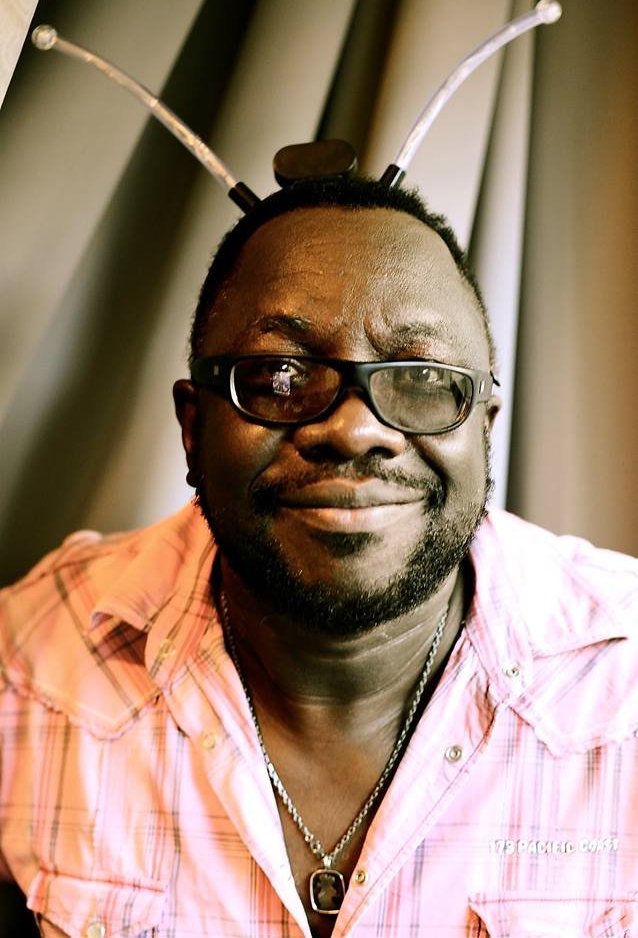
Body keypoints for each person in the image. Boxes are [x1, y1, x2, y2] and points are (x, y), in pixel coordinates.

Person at [1, 176, 637, 938]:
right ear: (193, 428)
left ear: (483, 427)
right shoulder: (30, 659)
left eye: (422, 378)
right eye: (280, 376)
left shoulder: (624, 684)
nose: (355, 430)